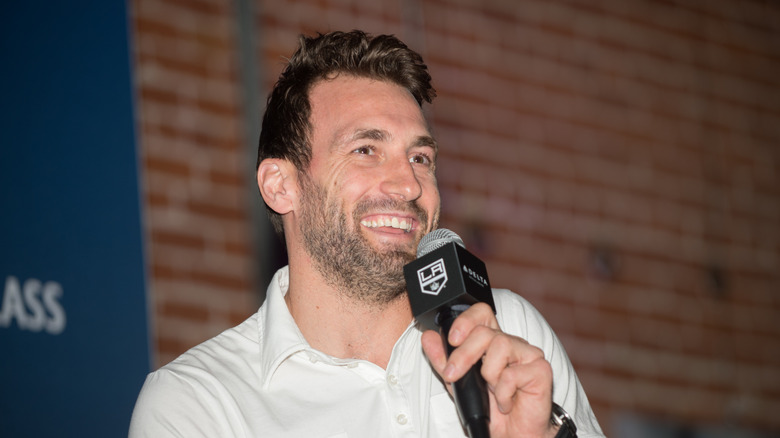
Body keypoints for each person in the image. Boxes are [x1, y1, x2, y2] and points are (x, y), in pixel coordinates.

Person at [129, 30, 606, 438]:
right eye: (365, 150)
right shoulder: (200, 404)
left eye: (420, 158)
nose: (409, 184)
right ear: (281, 186)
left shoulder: (508, 331)